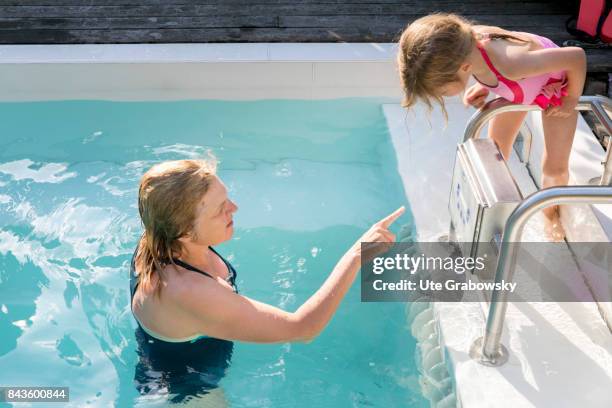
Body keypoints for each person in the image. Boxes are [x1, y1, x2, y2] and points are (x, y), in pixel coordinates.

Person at [130, 158, 404, 401]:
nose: (234, 208)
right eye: (220, 209)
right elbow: (302, 329)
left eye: (227, 198)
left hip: (178, 343)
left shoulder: (162, 233)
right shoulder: (187, 290)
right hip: (184, 384)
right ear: (184, 233)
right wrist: (356, 255)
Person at [397, 13, 587, 240]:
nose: (442, 96)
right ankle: (493, 213)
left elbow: (576, 57)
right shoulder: (464, 41)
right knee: (495, 153)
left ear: (464, 67)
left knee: (554, 169)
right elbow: (487, 63)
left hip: (556, 87)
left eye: (442, 91)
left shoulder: (512, 65)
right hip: (518, 85)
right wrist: (486, 86)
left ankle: (550, 214)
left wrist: (571, 98)